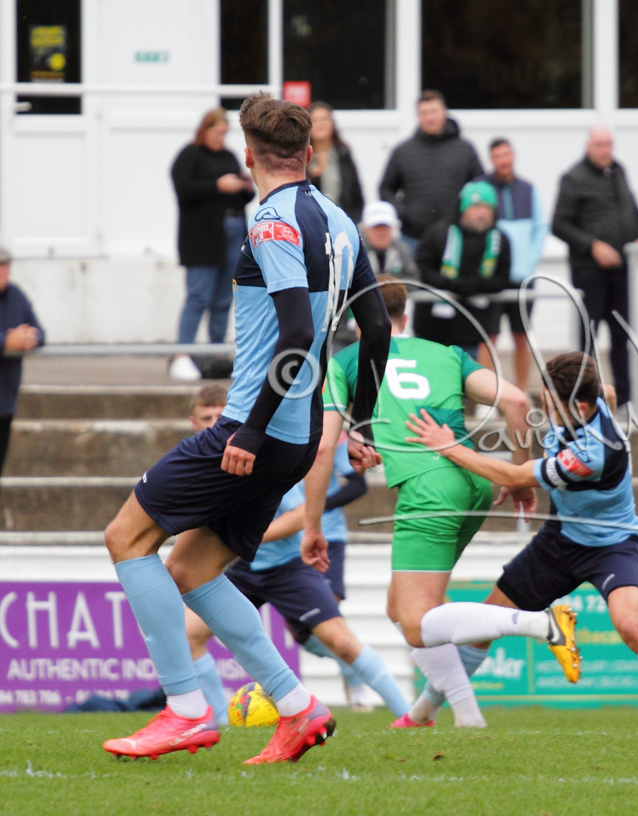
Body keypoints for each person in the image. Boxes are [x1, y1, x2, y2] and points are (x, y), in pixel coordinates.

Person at [100, 92, 391, 764]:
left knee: (126, 537)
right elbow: (376, 328)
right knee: (192, 567)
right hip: (300, 436)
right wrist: (364, 424)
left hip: (257, 427)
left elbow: (296, 331)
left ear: (249, 156)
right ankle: (297, 707)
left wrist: (250, 431)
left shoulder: (272, 221)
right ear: (309, 153)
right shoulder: (341, 221)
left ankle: (185, 709)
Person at [403, 352, 638, 732]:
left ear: (579, 407)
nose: (544, 410)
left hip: (612, 545)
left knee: (630, 623)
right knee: (485, 622)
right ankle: (422, 714)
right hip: (560, 540)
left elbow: (513, 477)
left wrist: (449, 447)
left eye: (550, 405)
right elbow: (608, 393)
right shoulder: (594, 400)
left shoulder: (592, 453)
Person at [315, 275, 565, 729]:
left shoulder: (345, 361)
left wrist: (313, 521)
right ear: (406, 314)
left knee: (416, 624)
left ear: (356, 319)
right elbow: (516, 401)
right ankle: (461, 717)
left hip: (429, 491)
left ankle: (534, 623)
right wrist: (518, 473)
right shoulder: (446, 354)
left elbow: (323, 448)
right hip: (474, 481)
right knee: (400, 606)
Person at [177, 386, 405, 720]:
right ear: (194, 423)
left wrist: (246, 537)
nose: (213, 423)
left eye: (219, 415)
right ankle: (220, 722)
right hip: (239, 570)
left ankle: (408, 715)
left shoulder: (253, 456)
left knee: (340, 643)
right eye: (206, 417)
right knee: (187, 636)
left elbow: (300, 516)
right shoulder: (197, 464)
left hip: (287, 567)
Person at [552, 127, 638, 407]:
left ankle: (626, 400)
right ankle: (583, 400)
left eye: (609, 144)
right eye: (599, 144)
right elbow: (559, 224)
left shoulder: (618, 171)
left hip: (622, 270)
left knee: (622, 335)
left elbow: (631, 206)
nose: (605, 150)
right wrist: (592, 245)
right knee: (587, 338)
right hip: (589, 272)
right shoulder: (574, 178)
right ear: (588, 146)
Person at [169, 108, 254, 381]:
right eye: (217, 132)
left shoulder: (229, 156)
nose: (220, 137)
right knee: (198, 296)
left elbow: (241, 198)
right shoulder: (190, 155)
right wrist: (218, 185)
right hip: (202, 238)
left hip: (233, 231)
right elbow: (184, 189)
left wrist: (245, 187)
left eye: (224, 133)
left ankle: (218, 353)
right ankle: (182, 353)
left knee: (223, 299)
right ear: (204, 130)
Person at [477, 137, 550, 393]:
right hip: (491, 279)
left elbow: (540, 228)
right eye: (498, 156)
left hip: (522, 277)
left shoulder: (528, 190)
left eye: (506, 154)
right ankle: (486, 395)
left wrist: (528, 262)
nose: (503, 160)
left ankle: (521, 391)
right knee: (488, 337)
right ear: (491, 159)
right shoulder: (480, 190)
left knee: (521, 336)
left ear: (513, 155)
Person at [413, 181, 512, 360]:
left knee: (465, 375)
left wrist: (476, 285)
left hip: (473, 327)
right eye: (475, 207)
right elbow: (423, 270)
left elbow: (502, 278)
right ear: (463, 209)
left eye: (486, 207)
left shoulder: (500, 240)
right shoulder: (437, 233)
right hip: (432, 326)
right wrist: (452, 285)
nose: (481, 213)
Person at [378, 90, 483, 255]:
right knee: (412, 274)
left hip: (457, 238)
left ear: (444, 111)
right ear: (418, 116)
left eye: (434, 111)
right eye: (424, 113)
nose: (430, 117)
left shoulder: (465, 149)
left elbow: (480, 187)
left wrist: (465, 213)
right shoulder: (403, 151)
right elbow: (385, 189)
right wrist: (404, 213)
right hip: (414, 238)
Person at [0, 246, 42, 479]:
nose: (2, 271)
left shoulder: (16, 296)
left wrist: (27, 339)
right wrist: (7, 341)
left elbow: (39, 331)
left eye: (5, 265)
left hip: (5, 402)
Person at [307, 101, 364, 223]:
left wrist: (353, 223)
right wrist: (313, 176)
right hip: (312, 224)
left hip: (342, 223)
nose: (320, 124)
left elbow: (357, 196)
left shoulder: (343, 154)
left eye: (324, 119)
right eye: (315, 120)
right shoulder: (301, 157)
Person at [360, 201, 419, 281]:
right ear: (365, 229)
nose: (381, 233)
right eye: (376, 228)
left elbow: (413, 279)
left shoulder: (401, 250)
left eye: (385, 228)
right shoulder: (357, 253)